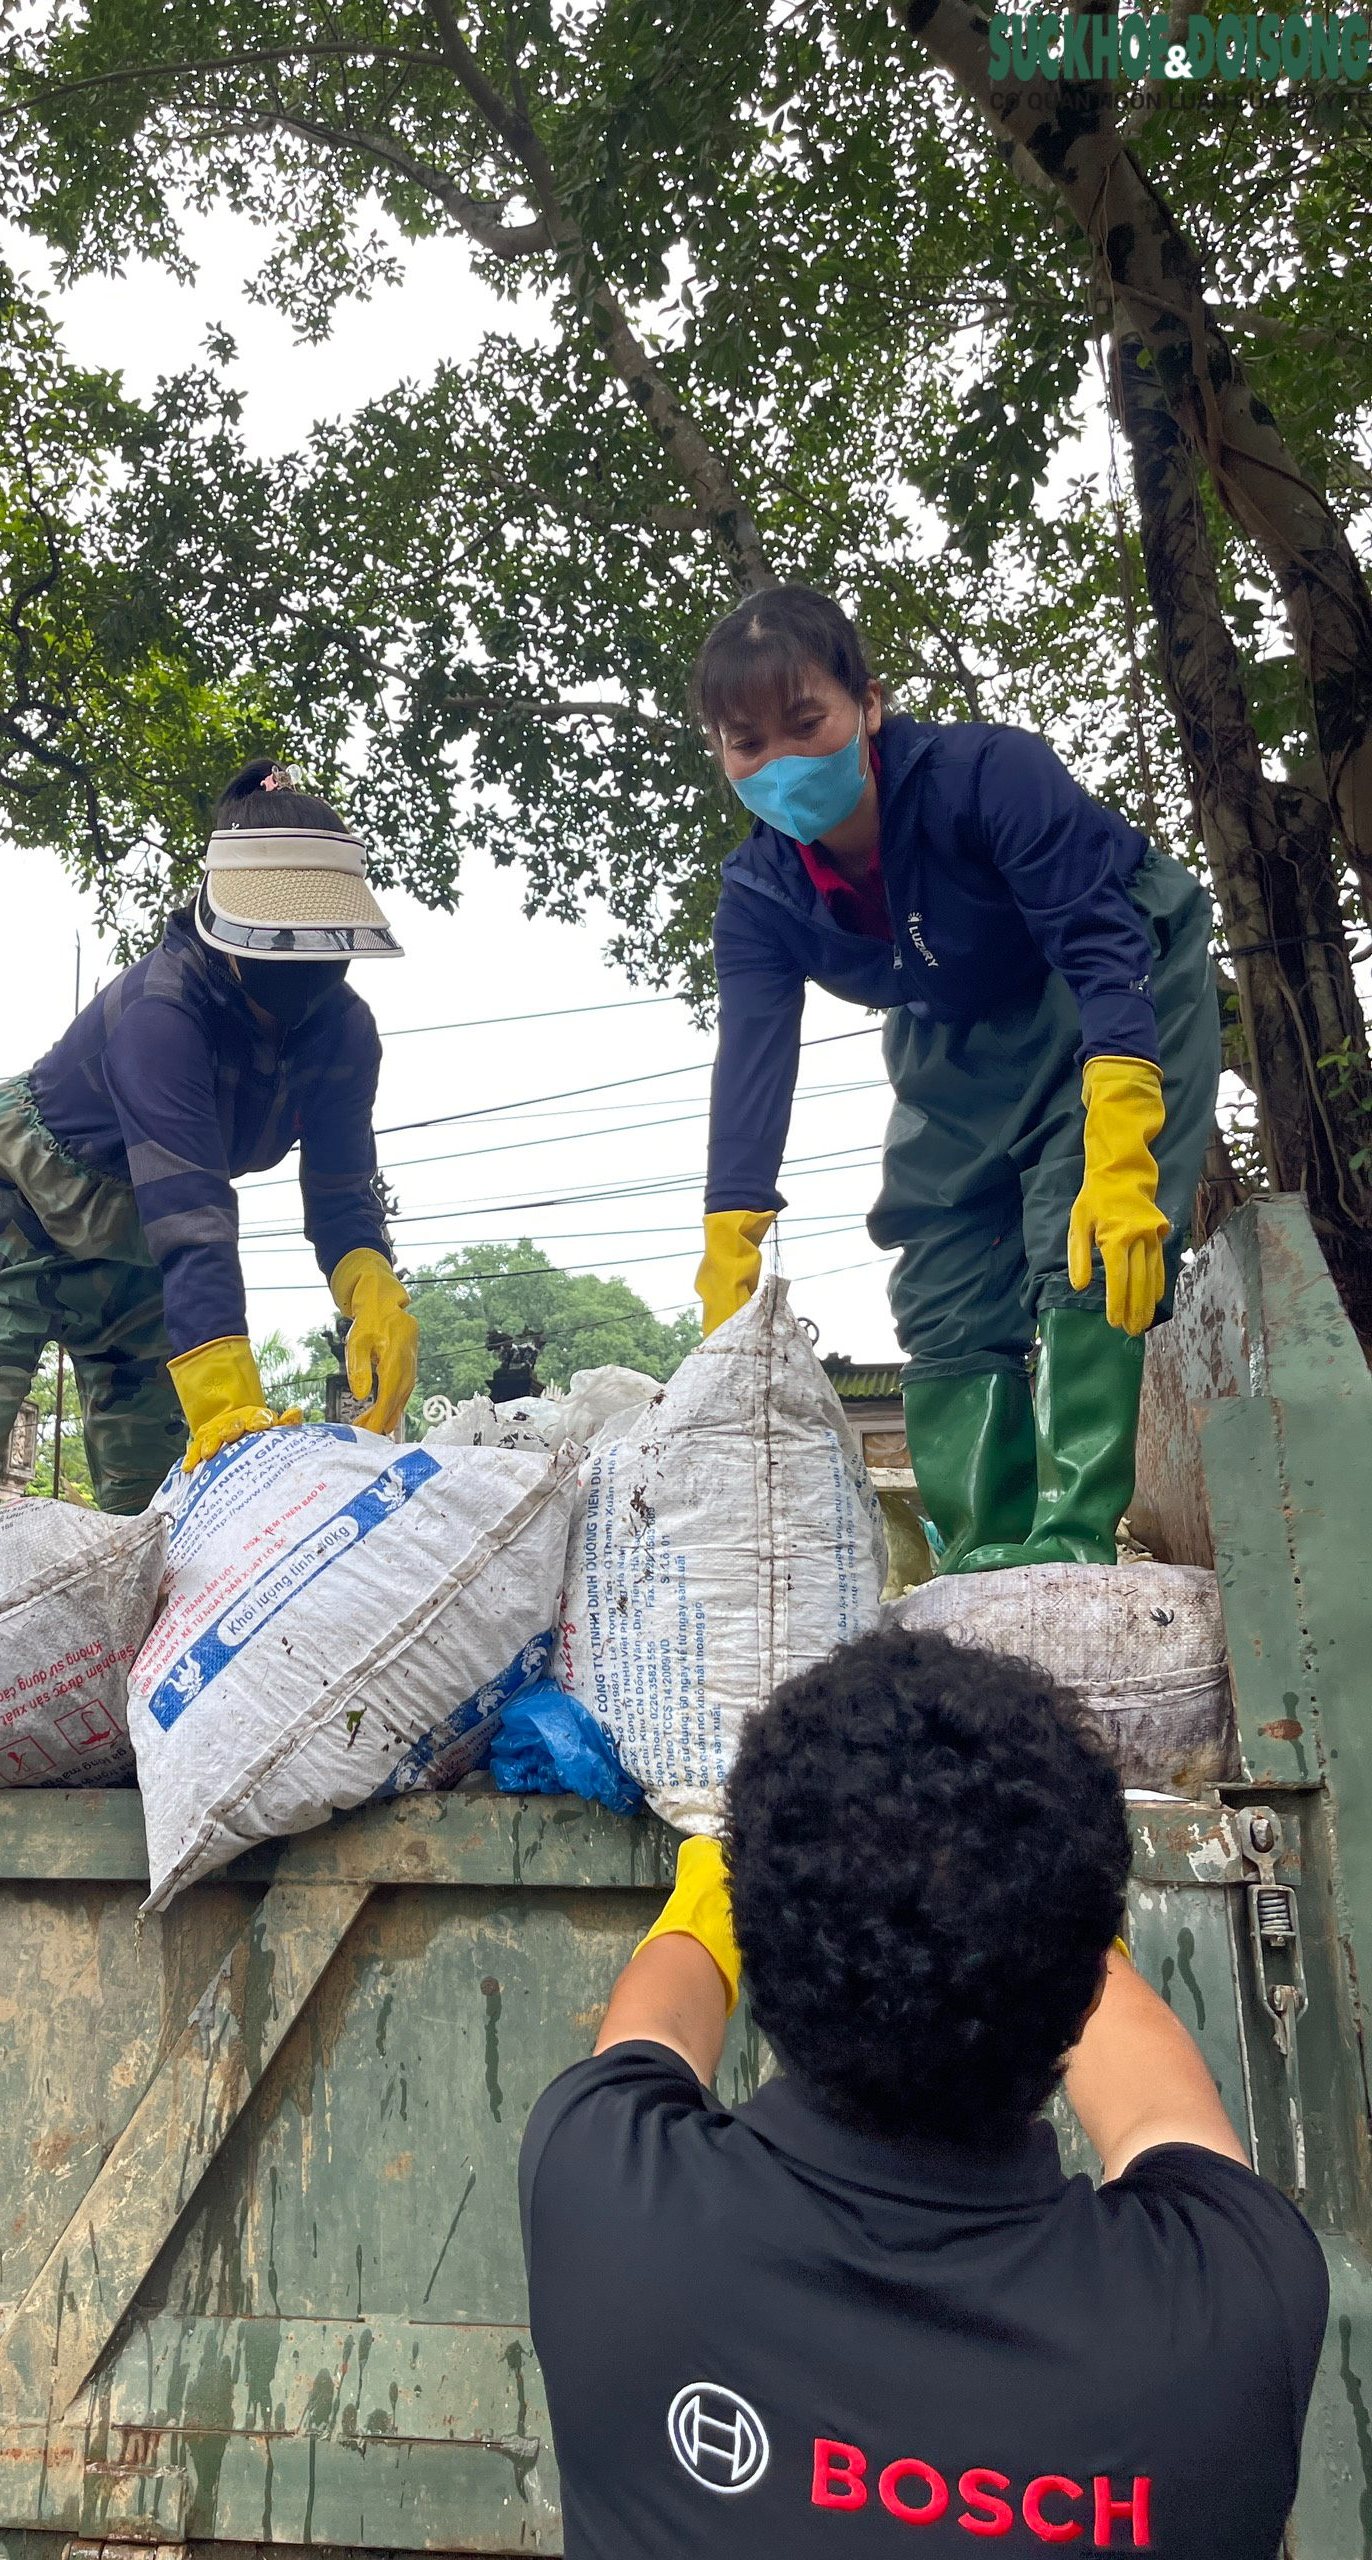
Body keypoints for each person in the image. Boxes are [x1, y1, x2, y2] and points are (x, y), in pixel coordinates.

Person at [521, 1628, 1328, 2558]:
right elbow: (1161, 2112)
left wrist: (710, 1894)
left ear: (762, 1943)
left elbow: (655, 2030)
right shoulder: (1232, 2307)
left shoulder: (602, 2193)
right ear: (1086, 1976)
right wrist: (1052, 1915)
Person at [690, 589, 1221, 1570]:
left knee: (1088, 1226)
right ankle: (985, 1553)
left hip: (1101, 980)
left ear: (869, 707)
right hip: (953, 1025)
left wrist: (1122, 1124)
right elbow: (752, 1061)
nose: (782, 762)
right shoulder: (760, 896)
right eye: (746, 743)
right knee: (938, 1252)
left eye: (807, 723)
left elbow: (1099, 944)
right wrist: (731, 1231)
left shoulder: (989, 775)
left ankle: (1072, 1540)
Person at [0, 761, 420, 1570]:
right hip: (16, 1204)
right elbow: (194, 1211)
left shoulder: (344, 1037)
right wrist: (230, 1402)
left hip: (142, 1248)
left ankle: (139, 1674)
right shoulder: (162, 1014)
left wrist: (371, 1286)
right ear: (228, 925)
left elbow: (339, 1193)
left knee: (156, 1482)